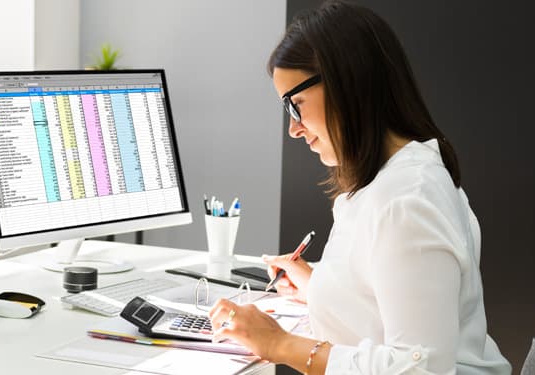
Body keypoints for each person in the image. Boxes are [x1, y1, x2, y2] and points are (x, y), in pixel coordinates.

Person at [206, 1, 511, 374]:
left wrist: (279, 343)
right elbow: (390, 300)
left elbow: (419, 368)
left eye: (295, 105)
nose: (294, 128)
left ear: (344, 83)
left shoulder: (408, 201)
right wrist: (321, 287)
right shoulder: (394, 179)